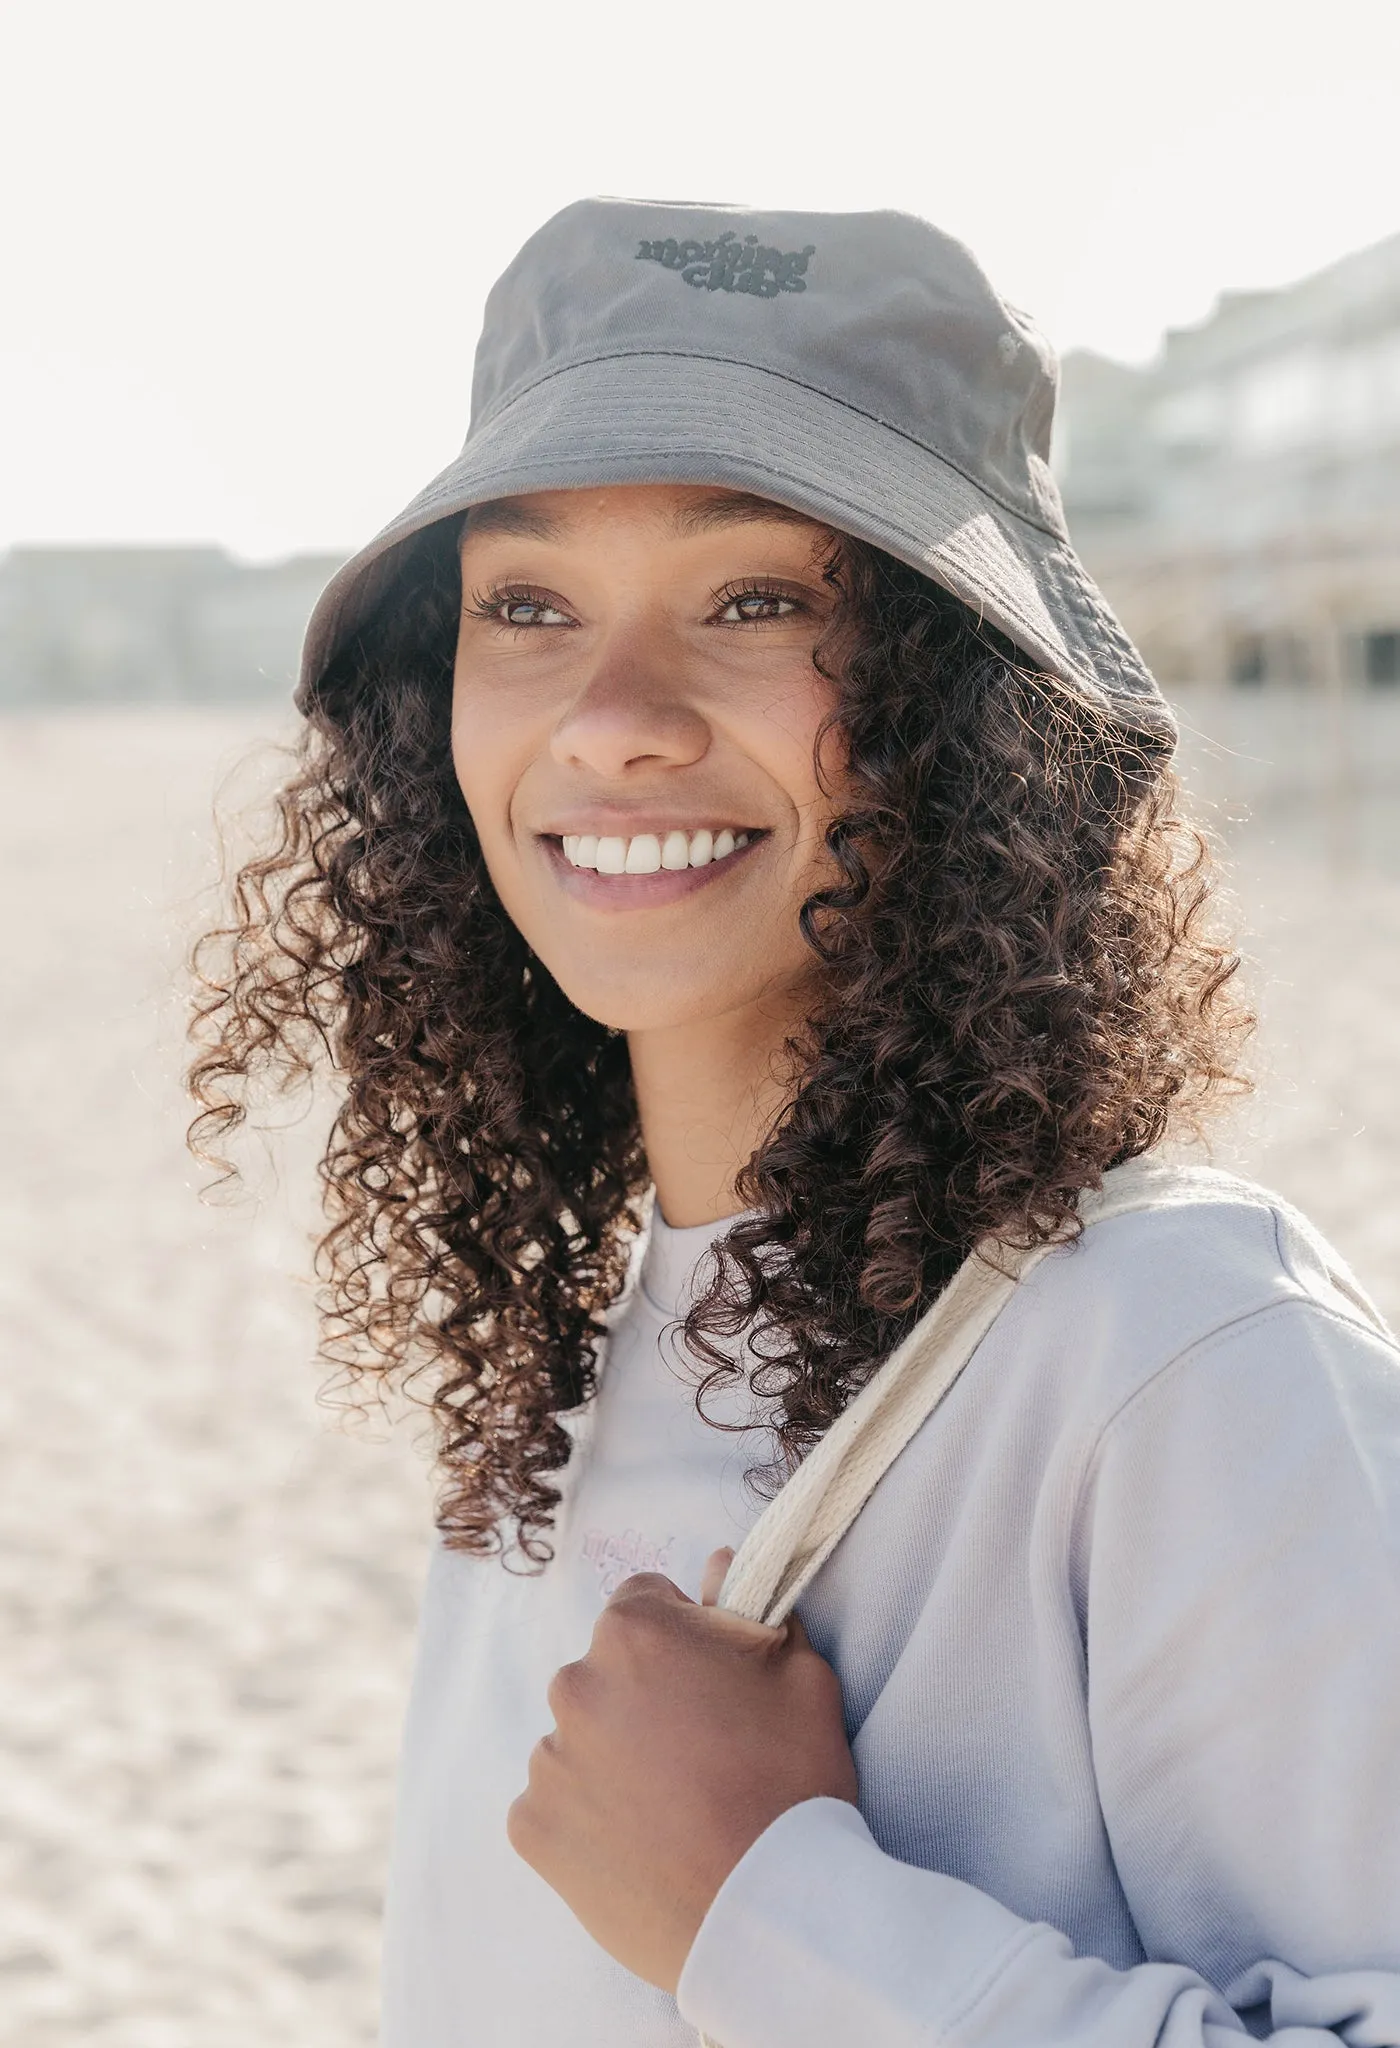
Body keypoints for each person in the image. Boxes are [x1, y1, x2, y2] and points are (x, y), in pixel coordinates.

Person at [189, 200, 1400, 2047]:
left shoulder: (1181, 1352)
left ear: (967, 705)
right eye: (526, 607)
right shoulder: (563, 1365)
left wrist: (769, 1916)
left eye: (757, 601)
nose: (611, 721)